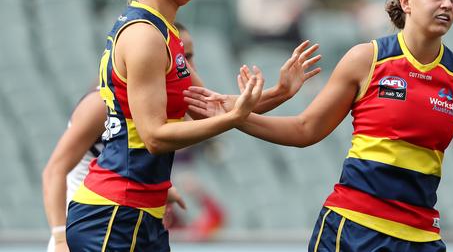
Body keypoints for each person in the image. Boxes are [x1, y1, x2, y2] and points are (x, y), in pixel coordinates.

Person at [186, 0, 453, 251]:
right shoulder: (367, 59)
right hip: (352, 230)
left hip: (421, 239)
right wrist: (236, 117)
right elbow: (306, 128)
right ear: (406, 1)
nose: (447, 5)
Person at [64, 0, 320, 252]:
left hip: (140, 214)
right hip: (113, 215)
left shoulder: (164, 33)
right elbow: (155, 137)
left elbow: (210, 107)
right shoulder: (144, 37)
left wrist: (280, 92)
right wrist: (232, 116)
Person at [43, 23, 319, 250]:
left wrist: (280, 91)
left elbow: (220, 107)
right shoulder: (100, 104)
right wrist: (59, 236)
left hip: (127, 219)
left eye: (190, 56)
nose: (189, 65)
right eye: (183, 57)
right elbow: (55, 170)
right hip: (88, 225)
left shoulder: (163, 97)